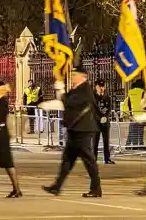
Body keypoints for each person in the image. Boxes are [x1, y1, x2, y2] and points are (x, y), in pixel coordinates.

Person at [41, 68, 101, 199]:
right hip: (75, 129)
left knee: (88, 160)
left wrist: (60, 90)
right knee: (67, 160)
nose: (72, 77)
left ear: (83, 77)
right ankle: (57, 187)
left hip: (83, 130)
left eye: (74, 75)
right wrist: (59, 92)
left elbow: (68, 103)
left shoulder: (85, 89)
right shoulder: (76, 89)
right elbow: (66, 101)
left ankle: (96, 189)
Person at [92, 78, 113, 164]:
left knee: (106, 141)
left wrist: (106, 117)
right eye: (100, 86)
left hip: (105, 122)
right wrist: (100, 117)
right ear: (96, 87)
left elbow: (109, 107)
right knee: (95, 142)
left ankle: (107, 158)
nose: (102, 88)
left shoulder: (107, 95)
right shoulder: (93, 96)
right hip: (96, 122)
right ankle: (94, 159)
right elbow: (93, 109)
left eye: (103, 86)